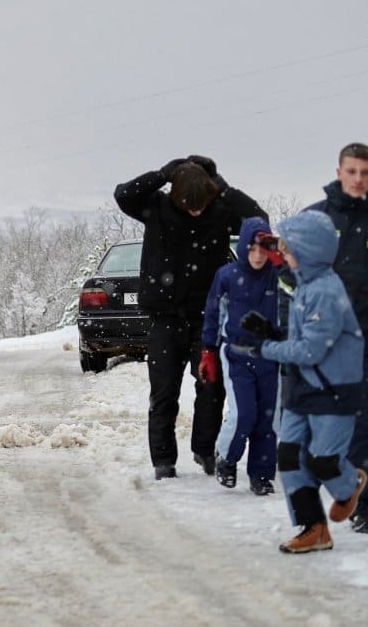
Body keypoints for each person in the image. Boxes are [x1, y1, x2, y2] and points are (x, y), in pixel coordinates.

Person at [114, 155, 267, 480]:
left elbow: (257, 219)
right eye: (189, 206)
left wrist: (220, 185)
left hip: (206, 319)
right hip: (164, 318)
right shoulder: (157, 207)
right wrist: (162, 174)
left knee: (211, 386)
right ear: (176, 196)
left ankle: (204, 449)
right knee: (163, 392)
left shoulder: (219, 211)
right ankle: (163, 460)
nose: (196, 211)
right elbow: (123, 195)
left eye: (201, 205)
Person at [238, 210, 367, 553]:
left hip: (333, 389)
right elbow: (305, 338)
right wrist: (272, 333)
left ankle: (349, 484)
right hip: (304, 384)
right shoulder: (305, 284)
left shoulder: (325, 291)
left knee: (324, 460)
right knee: (291, 455)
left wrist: (264, 348)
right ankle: (314, 528)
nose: (282, 252)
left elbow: (312, 350)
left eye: (288, 247)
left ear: (309, 250)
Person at [300, 142, 368, 534]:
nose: (358, 179)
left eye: (365, 172)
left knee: (365, 431)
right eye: (352, 171)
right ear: (339, 172)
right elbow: (290, 283)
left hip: (367, 349)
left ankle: (366, 509)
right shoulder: (313, 221)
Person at [200, 216, 281, 494]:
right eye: (252, 249)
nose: (258, 256)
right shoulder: (227, 276)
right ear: (244, 247)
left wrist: (281, 259)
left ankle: (261, 474)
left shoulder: (277, 274)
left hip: (270, 355)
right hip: (236, 355)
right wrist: (208, 350)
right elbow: (213, 314)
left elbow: (300, 280)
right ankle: (226, 457)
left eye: (263, 249)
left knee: (267, 418)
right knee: (244, 413)